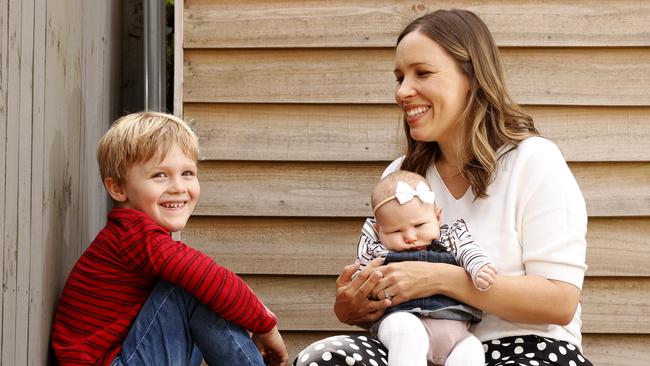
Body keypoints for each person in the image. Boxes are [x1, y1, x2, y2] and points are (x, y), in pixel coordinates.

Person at [294, 9, 592, 366]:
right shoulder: (401, 175)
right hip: (421, 350)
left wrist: (439, 278)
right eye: (399, 77)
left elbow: (559, 302)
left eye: (422, 73)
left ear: (471, 77)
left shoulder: (533, 161)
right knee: (325, 358)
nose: (403, 91)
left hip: (526, 350)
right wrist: (355, 306)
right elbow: (386, 280)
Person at [51, 112, 288, 366]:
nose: (178, 186)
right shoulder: (132, 234)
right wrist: (265, 325)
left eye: (187, 173)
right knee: (193, 285)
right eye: (160, 175)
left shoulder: (139, 237)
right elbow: (208, 277)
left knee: (199, 284)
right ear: (118, 188)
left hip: (126, 354)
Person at [355, 169, 495, 365]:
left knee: (472, 351)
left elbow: (468, 250)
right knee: (408, 334)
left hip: (457, 335)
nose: (410, 237)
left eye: (419, 225)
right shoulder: (378, 251)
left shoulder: (450, 239)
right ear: (379, 231)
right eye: (396, 230)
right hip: (402, 319)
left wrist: (479, 267)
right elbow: (361, 277)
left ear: (437, 218)